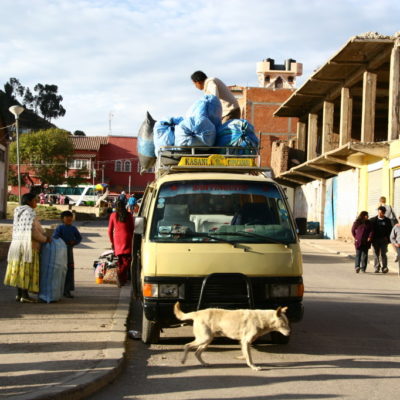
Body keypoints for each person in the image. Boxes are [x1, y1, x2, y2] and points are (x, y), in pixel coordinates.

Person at [4, 193, 50, 303]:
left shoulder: (18, 211)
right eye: (35, 200)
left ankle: (19, 294)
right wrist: (45, 239)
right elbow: (32, 231)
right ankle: (24, 295)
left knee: (19, 270)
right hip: (28, 247)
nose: (36, 202)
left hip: (16, 246)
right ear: (29, 201)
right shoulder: (29, 212)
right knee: (25, 271)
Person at [52, 211, 82, 298]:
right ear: (62, 219)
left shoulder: (73, 228)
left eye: (70, 217)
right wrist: (62, 242)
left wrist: (74, 242)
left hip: (69, 252)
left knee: (70, 269)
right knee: (60, 270)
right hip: (60, 252)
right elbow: (55, 237)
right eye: (67, 217)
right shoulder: (60, 228)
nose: (69, 219)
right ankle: (59, 289)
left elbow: (79, 238)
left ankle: (67, 290)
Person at [108, 200, 134, 286]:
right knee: (127, 260)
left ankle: (122, 278)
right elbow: (132, 228)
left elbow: (109, 231)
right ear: (125, 205)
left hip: (117, 239)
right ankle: (121, 277)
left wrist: (112, 241)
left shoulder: (113, 215)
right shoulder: (129, 215)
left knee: (120, 260)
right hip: (127, 238)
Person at [369, 206, 392, 273]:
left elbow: (390, 231)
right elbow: (369, 230)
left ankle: (384, 267)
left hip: (384, 240)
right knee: (376, 254)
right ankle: (376, 267)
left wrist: (388, 239)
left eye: (381, 213)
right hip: (375, 240)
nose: (379, 214)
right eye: (378, 212)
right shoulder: (372, 220)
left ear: (384, 213)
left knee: (383, 254)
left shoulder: (387, 221)